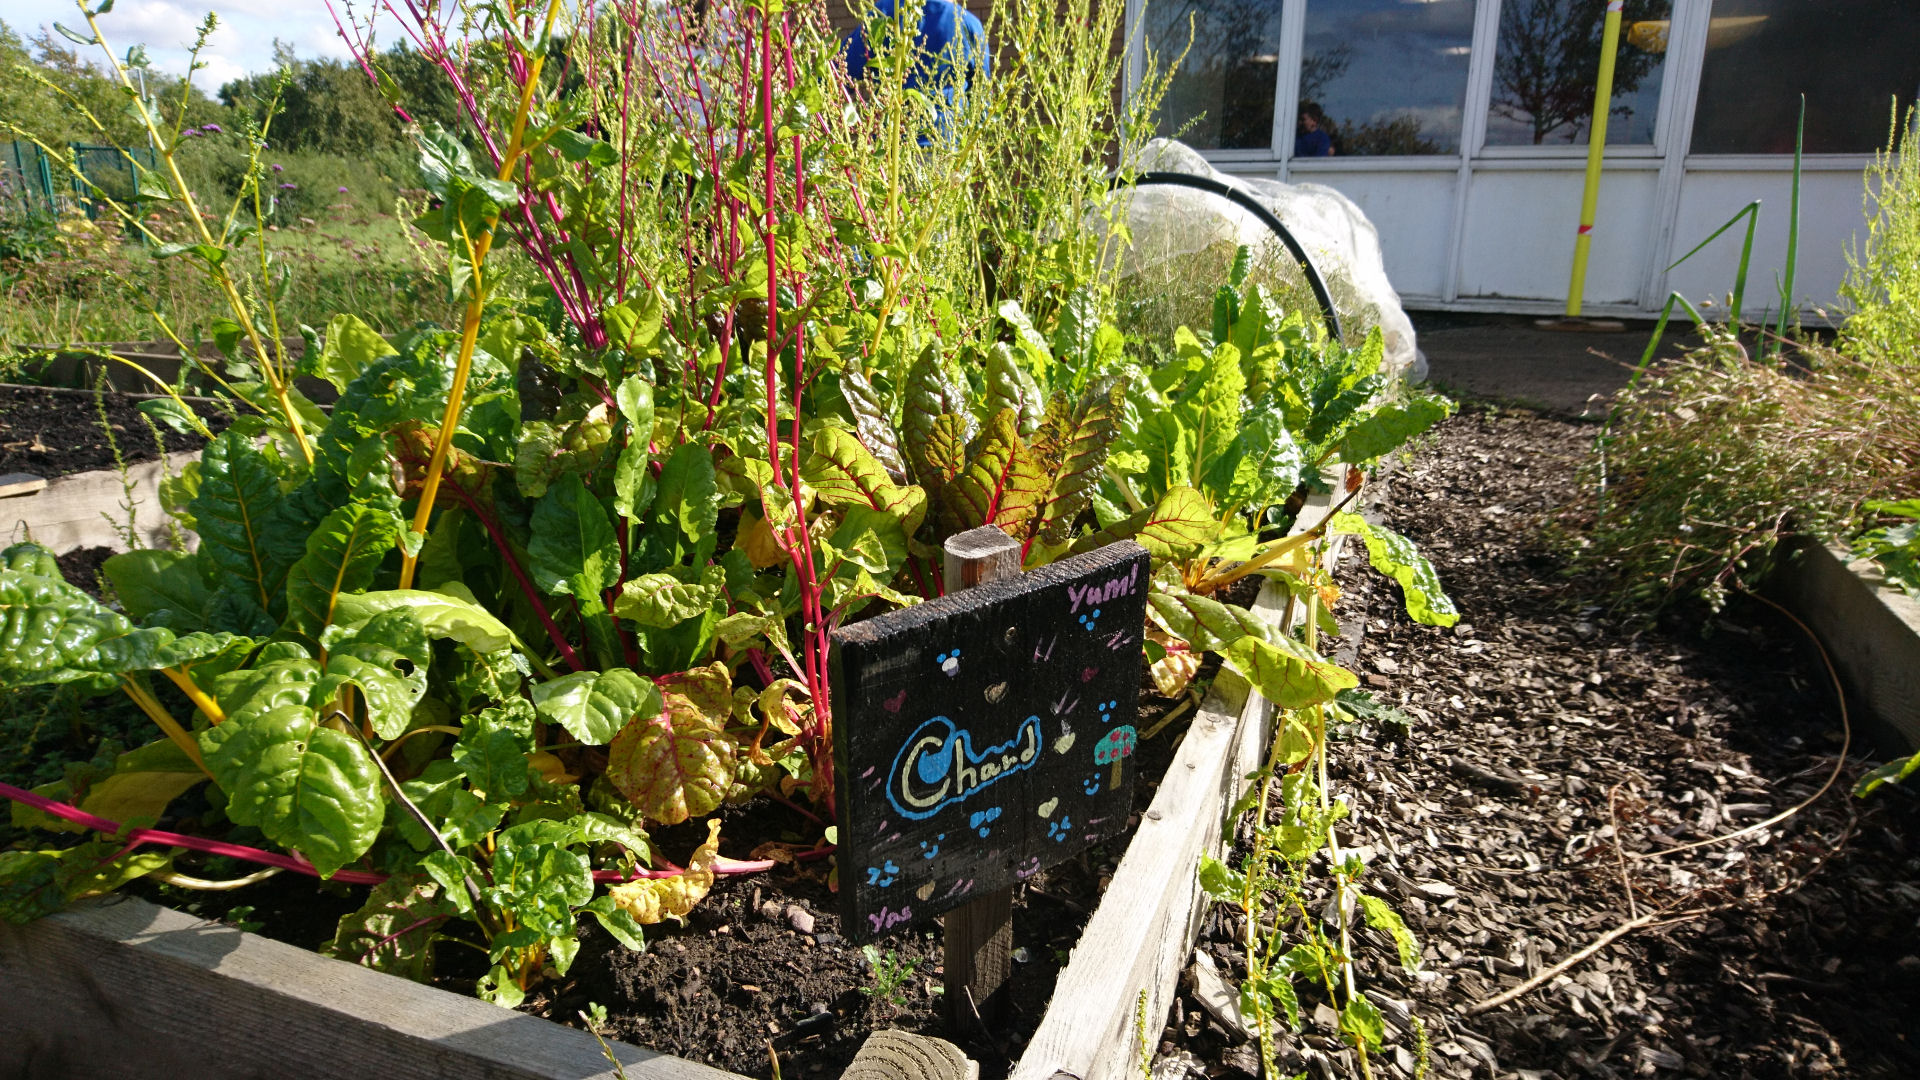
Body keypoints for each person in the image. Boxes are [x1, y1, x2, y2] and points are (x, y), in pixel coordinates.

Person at [845, 0, 990, 117]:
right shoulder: (968, 24)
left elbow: (837, 73)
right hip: (950, 144)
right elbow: (981, 101)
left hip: (892, 143)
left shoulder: (883, 14)